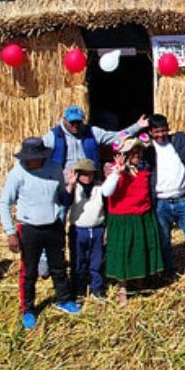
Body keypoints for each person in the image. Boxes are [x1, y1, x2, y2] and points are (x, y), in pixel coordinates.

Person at [38, 106, 145, 278]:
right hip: (65, 186)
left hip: (89, 183)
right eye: (72, 122)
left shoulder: (92, 132)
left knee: (90, 218)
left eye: (78, 122)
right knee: (57, 220)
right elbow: (39, 153)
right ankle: (46, 258)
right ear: (64, 119)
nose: (75, 125)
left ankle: (93, 256)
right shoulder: (53, 136)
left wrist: (137, 126)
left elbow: (116, 137)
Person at [120, 100, 185, 281]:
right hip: (160, 203)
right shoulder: (146, 150)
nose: (161, 134)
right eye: (156, 131)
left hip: (182, 200)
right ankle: (169, 272)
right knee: (163, 241)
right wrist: (135, 127)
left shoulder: (179, 140)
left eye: (163, 130)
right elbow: (120, 142)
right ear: (150, 132)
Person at [0, 137, 78, 329]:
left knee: (58, 267)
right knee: (29, 272)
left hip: (53, 226)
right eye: (27, 158)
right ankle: (28, 310)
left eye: (34, 158)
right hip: (29, 228)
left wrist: (71, 187)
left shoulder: (54, 169)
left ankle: (64, 300)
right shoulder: (17, 173)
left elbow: (62, 197)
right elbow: (4, 203)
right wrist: (10, 233)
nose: (30, 162)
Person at [102, 135, 166, 305]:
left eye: (138, 151)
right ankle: (123, 288)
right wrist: (117, 173)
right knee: (124, 252)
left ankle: (140, 283)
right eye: (133, 151)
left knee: (141, 249)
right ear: (125, 154)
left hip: (142, 215)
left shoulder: (145, 169)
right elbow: (106, 192)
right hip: (123, 218)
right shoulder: (115, 170)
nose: (137, 154)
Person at [64, 158, 114, 302]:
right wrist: (71, 185)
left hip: (97, 229)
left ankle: (97, 289)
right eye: (83, 174)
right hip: (78, 230)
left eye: (90, 174)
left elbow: (107, 206)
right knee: (78, 262)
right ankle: (78, 290)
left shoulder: (99, 188)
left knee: (96, 261)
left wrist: (106, 229)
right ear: (78, 175)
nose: (87, 177)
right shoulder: (74, 189)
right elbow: (65, 201)